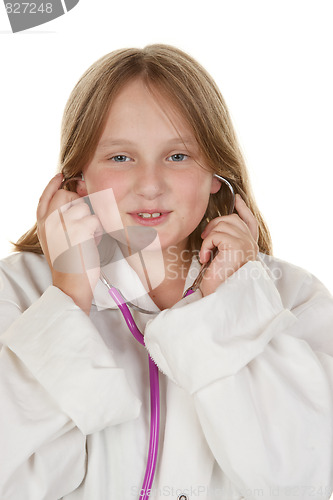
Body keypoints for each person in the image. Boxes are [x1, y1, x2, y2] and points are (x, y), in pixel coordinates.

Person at [0, 44, 332, 500]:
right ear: (78, 177)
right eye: (120, 157)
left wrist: (230, 306)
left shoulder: (292, 296)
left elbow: (306, 478)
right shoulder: (17, 291)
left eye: (178, 156)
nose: (150, 184)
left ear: (216, 172)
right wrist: (69, 299)